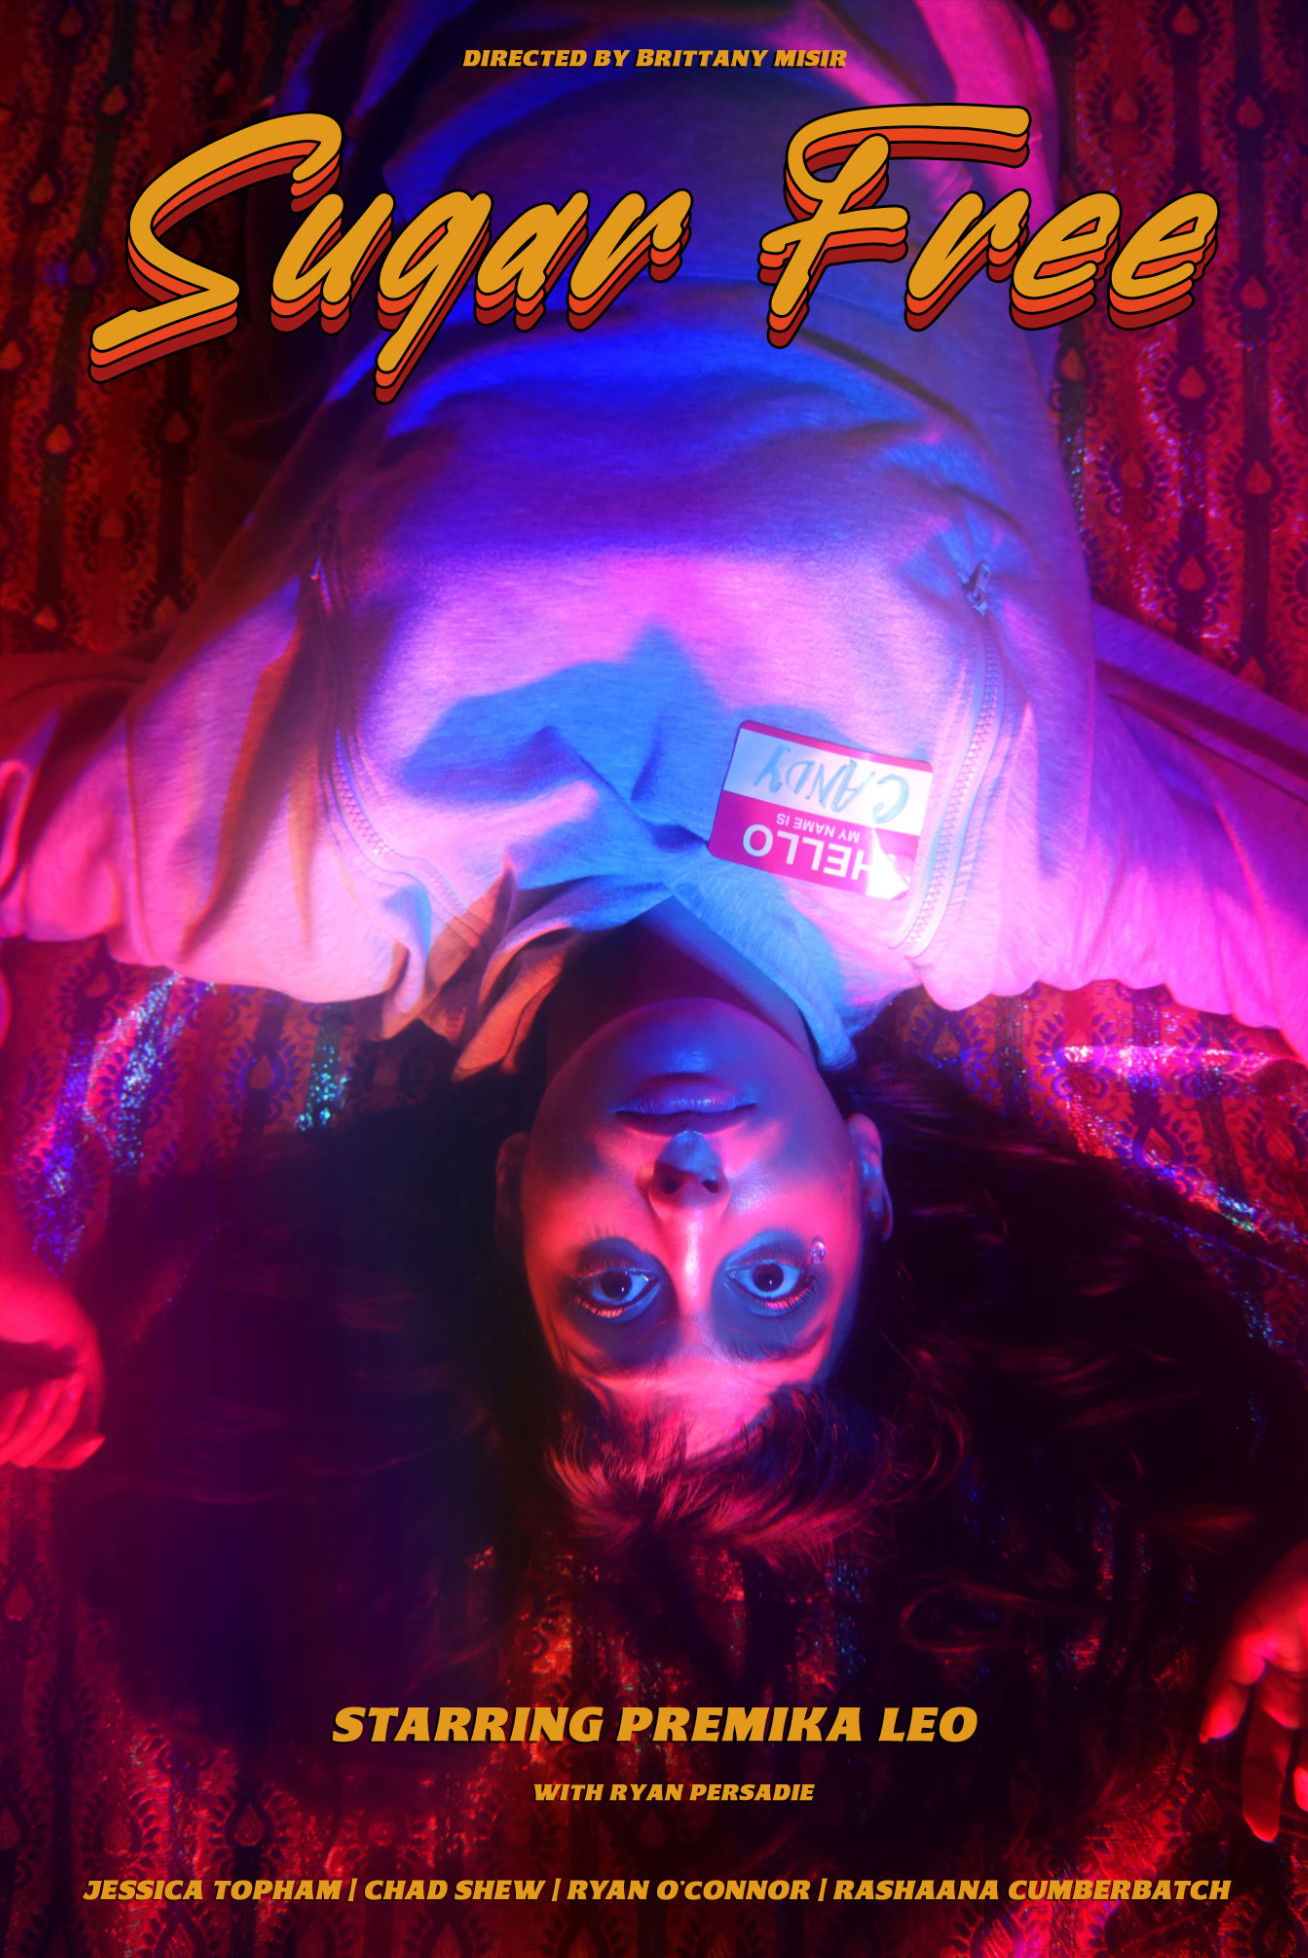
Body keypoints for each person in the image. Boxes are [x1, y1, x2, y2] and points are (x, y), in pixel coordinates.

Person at [1, 0, 1307, 1848]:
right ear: (866, 1187)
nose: (690, 1210)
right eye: (770, 1284)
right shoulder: (1009, 866)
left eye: (614, 1294)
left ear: (509, 1199)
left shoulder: (303, 875)